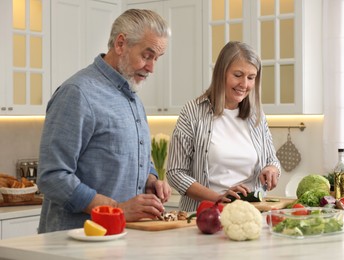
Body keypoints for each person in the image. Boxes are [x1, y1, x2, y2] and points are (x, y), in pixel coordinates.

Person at [37, 9, 172, 233]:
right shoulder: (78, 93)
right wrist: (116, 208)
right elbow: (53, 176)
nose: (152, 68)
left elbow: (133, 158)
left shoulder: (132, 97)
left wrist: (150, 179)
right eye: (147, 56)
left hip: (120, 239)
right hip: (72, 243)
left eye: (156, 59)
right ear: (121, 44)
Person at [166, 41, 281, 212]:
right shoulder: (193, 112)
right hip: (205, 214)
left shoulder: (256, 116)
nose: (244, 84)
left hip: (252, 213)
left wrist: (272, 169)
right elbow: (175, 173)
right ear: (221, 73)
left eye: (251, 77)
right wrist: (218, 198)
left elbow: (272, 159)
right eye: (238, 75)